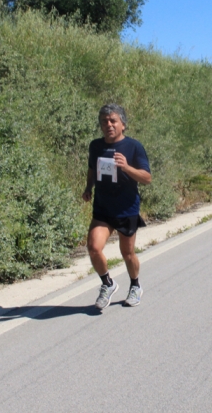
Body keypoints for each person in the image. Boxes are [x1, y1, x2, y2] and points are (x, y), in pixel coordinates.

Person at [82, 104, 152, 309]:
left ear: (123, 124)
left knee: (127, 254)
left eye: (113, 120)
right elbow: (91, 169)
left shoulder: (134, 147)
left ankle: (135, 285)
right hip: (103, 208)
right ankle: (107, 284)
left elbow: (147, 178)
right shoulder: (95, 146)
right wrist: (88, 187)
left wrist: (126, 167)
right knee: (94, 248)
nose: (108, 124)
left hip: (126, 208)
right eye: (104, 121)